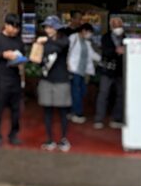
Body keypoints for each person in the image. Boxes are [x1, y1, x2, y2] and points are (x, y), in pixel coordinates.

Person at [0, 14, 25, 147]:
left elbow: (23, 55)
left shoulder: (19, 41)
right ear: (6, 25)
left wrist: (19, 60)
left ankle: (13, 134)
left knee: (16, 109)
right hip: (1, 79)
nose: (15, 30)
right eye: (13, 27)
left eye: (17, 28)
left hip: (15, 78)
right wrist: (4, 54)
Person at [36, 15, 73, 152]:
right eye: (46, 26)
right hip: (46, 79)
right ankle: (49, 140)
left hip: (61, 80)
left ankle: (63, 139)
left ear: (57, 28)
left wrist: (45, 41)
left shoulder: (64, 40)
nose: (48, 29)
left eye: (50, 26)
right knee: (47, 112)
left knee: (63, 112)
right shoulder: (44, 42)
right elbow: (39, 58)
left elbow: (62, 46)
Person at [95, 16, 127, 129]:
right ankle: (99, 119)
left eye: (119, 24)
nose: (117, 27)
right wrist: (116, 51)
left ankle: (117, 118)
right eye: (115, 24)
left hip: (120, 70)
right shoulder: (106, 37)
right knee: (103, 94)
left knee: (121, 94)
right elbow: (105, 51)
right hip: (107, 70)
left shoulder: (125, 37)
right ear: (111, 26)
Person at [67, 22, 100, 124]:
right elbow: (67, 51)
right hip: (74, 69)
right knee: (76, 91)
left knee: (82, 91)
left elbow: (92, 54)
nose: (90, 34)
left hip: (83, 71)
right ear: (83, 31)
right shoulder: (73, 38)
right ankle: (78, 113)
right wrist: (67, 64)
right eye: (89, 32)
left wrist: (102, 60)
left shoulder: (87, 42)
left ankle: (73, 111)